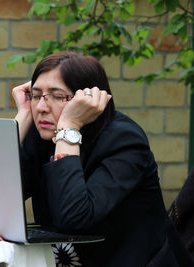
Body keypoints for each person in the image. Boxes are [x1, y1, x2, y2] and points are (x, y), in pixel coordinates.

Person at [12, 51, 193, 266]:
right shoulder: (41, 133)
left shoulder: (125, 141)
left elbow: (73, 218)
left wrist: (69, 129)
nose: (41, 107)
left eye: (58, 96)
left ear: (88, 100)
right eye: (36, 95)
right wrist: (22, 117)